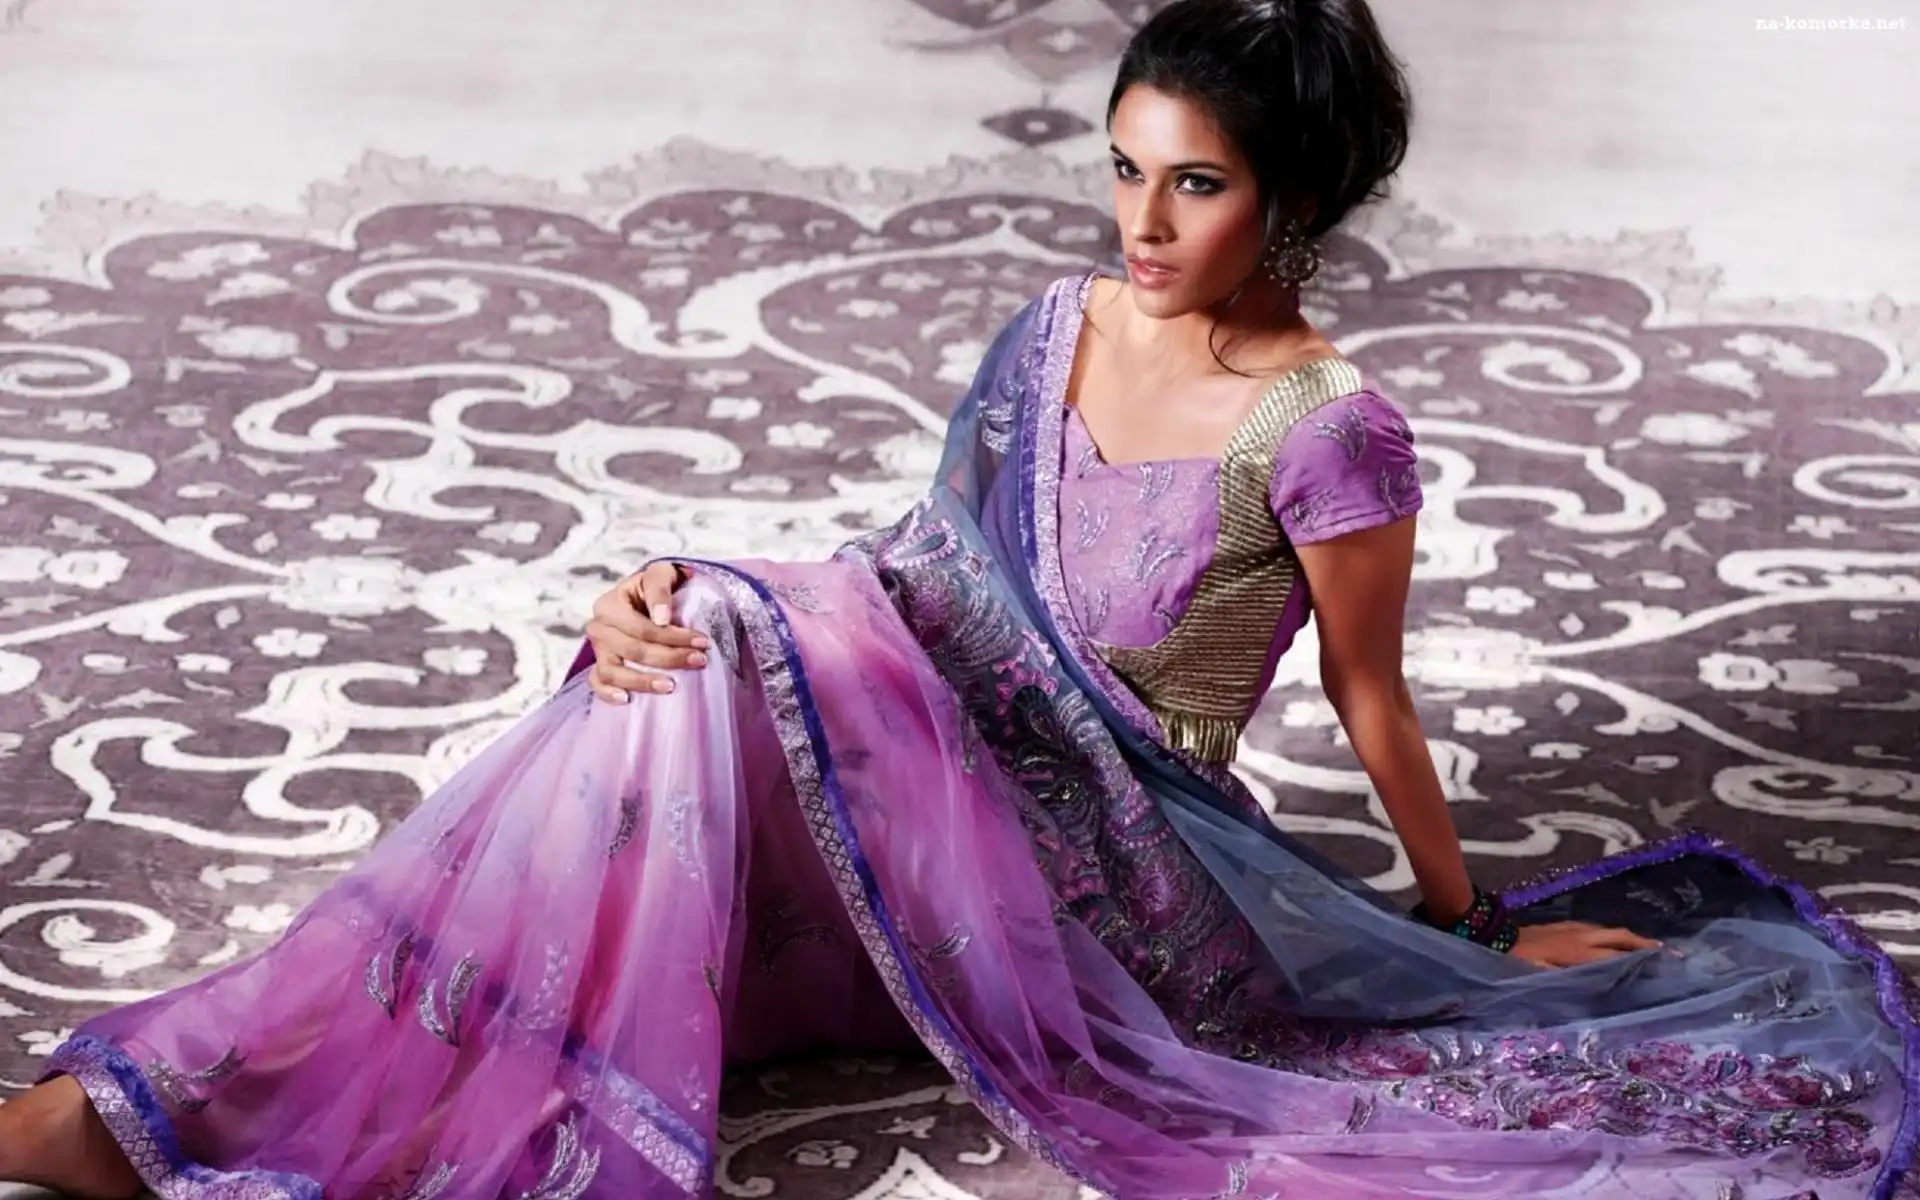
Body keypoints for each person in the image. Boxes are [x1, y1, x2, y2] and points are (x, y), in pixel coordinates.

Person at [2, 1, 1915, 1197]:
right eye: (1125, 173)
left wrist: (1467, 926)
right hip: (937, 779)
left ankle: (166, 1128)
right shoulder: (1057, 327)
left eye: (1197, 188)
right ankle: (210, 1092)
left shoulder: (1330, 428)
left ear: (1298, 198)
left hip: (1114, 863)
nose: (1141, 227)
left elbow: (1370, 697)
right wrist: (685, 589)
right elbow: (924, 576)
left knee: (725, 658)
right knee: (672, 667)